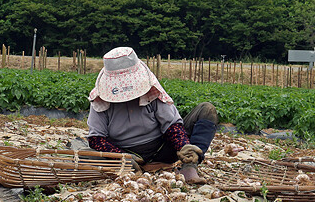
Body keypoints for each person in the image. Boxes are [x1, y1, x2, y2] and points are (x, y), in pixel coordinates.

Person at [85, 47, 218, 185]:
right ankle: (128, 167)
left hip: (162, 150)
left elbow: (172, 126)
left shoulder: (152, 91)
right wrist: (120, 157)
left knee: (207, 110)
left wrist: (183, 145)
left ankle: (189, 166)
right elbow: (96, 139)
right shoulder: (100, 100)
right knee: (84, 154)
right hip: (125, 154)